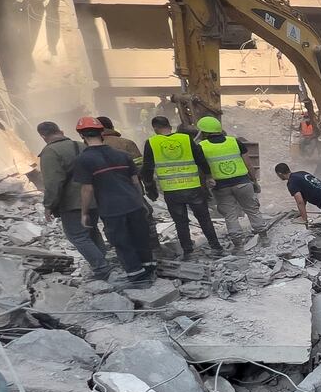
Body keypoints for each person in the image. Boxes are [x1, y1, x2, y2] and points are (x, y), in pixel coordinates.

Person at [72, 116, 155, 288]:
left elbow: (87, 189)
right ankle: (149, 268)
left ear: (81, 135)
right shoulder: (122, 155)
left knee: (121, 241)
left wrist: (84, 213)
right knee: (141, 236)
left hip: (111, 208)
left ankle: (137, 276)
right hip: (133, 203)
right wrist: (141, 202)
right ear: (101, 132)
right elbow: (134, 181)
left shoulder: (83, 160)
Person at [140, 115, 223, 258]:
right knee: (204, 219)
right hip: (193, 187)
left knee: (181, 222)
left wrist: (149, 187)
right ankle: (216, 247)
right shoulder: (185, 139)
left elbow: (147, 168)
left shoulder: (151, 143)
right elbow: (200, 159)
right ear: (170, 126)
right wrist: (209, 176)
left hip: (172, 190)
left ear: (155, 128)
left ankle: (188, 252)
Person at [36, 121, 109, 278]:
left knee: (78, 236)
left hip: (72, 203)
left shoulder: (50, 152)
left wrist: (49, 205)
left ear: (42, 136)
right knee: (92, 231)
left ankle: (101, 268)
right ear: (61, 130)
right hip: (94, 198)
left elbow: (53, 182)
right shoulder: (81, 146)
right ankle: (103, 261)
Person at [195, 116, 261, 242]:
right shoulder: (235, 142)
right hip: (243, 183)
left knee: (230, 215)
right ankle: (264, 239)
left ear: (203, 132)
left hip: (221, 187)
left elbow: (201, 170)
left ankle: (238, 246)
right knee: (252, 210)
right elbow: (248, 164)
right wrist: (254, 181)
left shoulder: (201, 147)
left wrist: (204, 188)